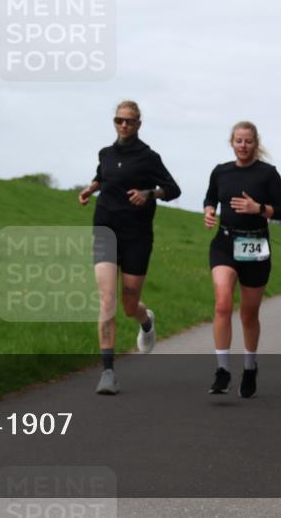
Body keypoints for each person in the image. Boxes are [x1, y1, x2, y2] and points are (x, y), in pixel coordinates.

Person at [78, 101, 181, 395]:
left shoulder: (149, 157)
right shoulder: (106, 153)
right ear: (114, 122)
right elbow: (103, 175)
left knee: (128, 305)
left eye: (130, 121)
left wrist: (150, 193)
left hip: (137, 236)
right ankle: (108, 373)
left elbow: (173, 190)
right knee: (107, 299)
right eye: (119, 120)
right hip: (105, 230)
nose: (124, 125)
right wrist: (90, 189)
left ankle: (145, 320)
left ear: (139, 124)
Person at [203, 121, 281, 398]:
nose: (243, 146)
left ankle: (250, 367)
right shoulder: (221, 171)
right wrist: (208, 212)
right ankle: (222, 371)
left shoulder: (268, 174)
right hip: (225, 243)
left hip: (255, 245)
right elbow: (210, 198)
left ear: (256, 143)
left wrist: (258, 208)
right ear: (231, 142)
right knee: (223, 303)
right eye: (238, 140)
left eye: (248, 141)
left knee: (249, 314)